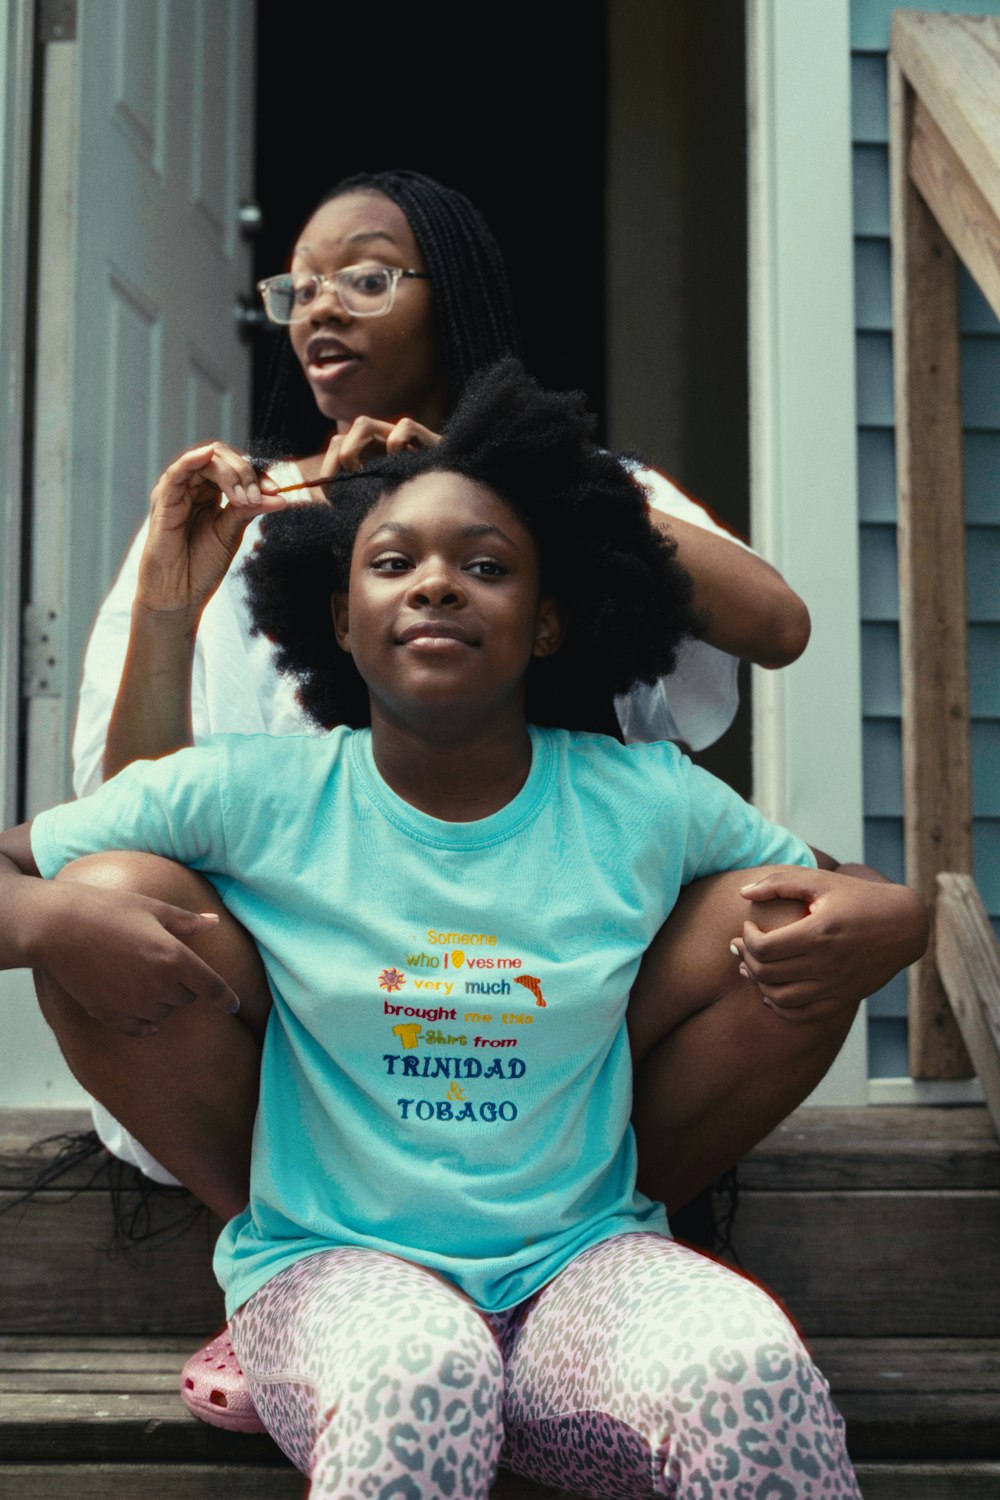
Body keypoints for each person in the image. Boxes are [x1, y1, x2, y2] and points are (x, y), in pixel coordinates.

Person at [1, 362, 923, 1496]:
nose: (436, 587)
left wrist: (908, 920)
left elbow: (854, 891)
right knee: (416, 1377)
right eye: (394, 564)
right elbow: (29, 869)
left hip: (581, 1268)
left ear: (545, 624)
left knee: (745, 1367)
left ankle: (526, 1411)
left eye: (483, 567)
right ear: (337, 618)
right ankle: (477, 1402)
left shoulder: (639, 796)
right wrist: (52, 919)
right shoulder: (252, 792)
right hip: (333, 1270)